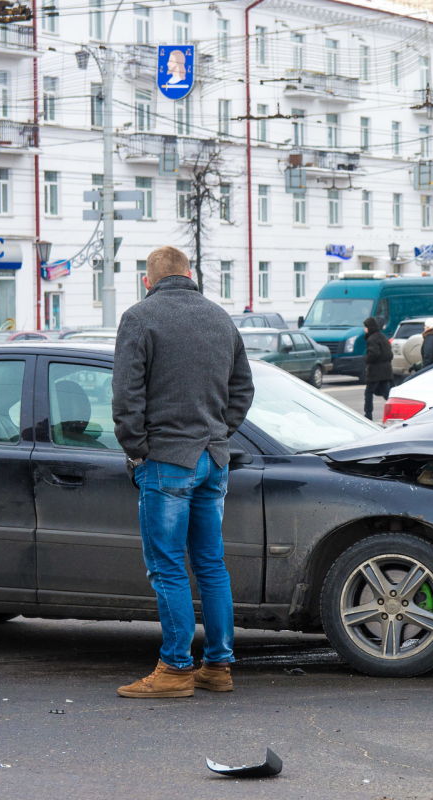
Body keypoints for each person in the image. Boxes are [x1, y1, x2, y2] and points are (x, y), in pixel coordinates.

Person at [112, 246, 254, 699]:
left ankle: (175, 669)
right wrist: (219, 433)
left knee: (168, 567)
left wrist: (137, 451)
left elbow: (125, 397)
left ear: (146, 280)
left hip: (167, 461)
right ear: (189, 274)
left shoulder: (140, 318)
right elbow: (243, 388)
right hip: (213, 459)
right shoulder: (219, 318)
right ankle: (218, 666)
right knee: (211, 566)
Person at [362, 316, 392, 421]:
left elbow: (374, 354)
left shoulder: (372, 339)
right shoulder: (382, 337)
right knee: (387, 393)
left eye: (365, 327)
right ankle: (394, 410)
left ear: (369, 327)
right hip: (386, 370)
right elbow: (390, 354)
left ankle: (368, 415)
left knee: (368, 393)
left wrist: (366, 359)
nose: (364, 329)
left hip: (375, 371)